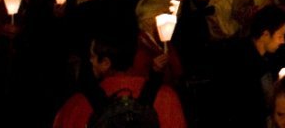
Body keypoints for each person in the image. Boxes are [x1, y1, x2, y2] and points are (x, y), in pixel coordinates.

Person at [53, 30, 187, 128]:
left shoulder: (77, 104)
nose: (91, 61)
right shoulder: (166, 97)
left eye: (93, 56)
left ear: (106, 62)